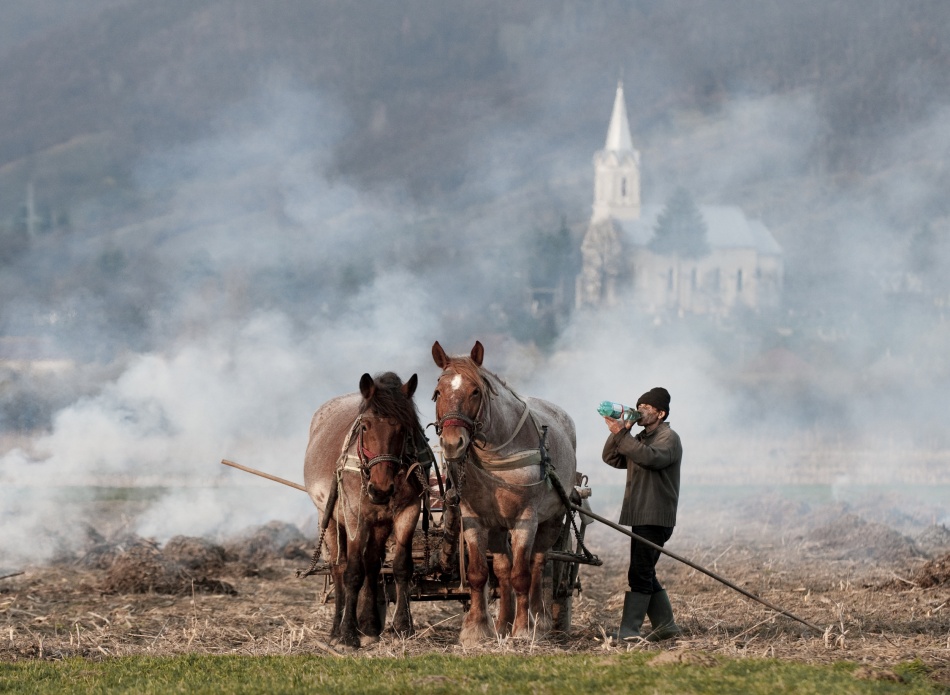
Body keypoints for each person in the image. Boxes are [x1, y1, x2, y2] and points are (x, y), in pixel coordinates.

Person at [601, 386, 683, 642]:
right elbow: (611, 458)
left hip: (655, 515)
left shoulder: (668, 438)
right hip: (642, 515)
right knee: (645, 571)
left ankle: (629, 631)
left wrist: (623, 437)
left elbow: (650, 459)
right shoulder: (641, 438)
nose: (640, 412)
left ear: (661, 413)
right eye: (639, 407)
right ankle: (666, 626)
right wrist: (621, 431)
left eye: (646, 408)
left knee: (639, 573)